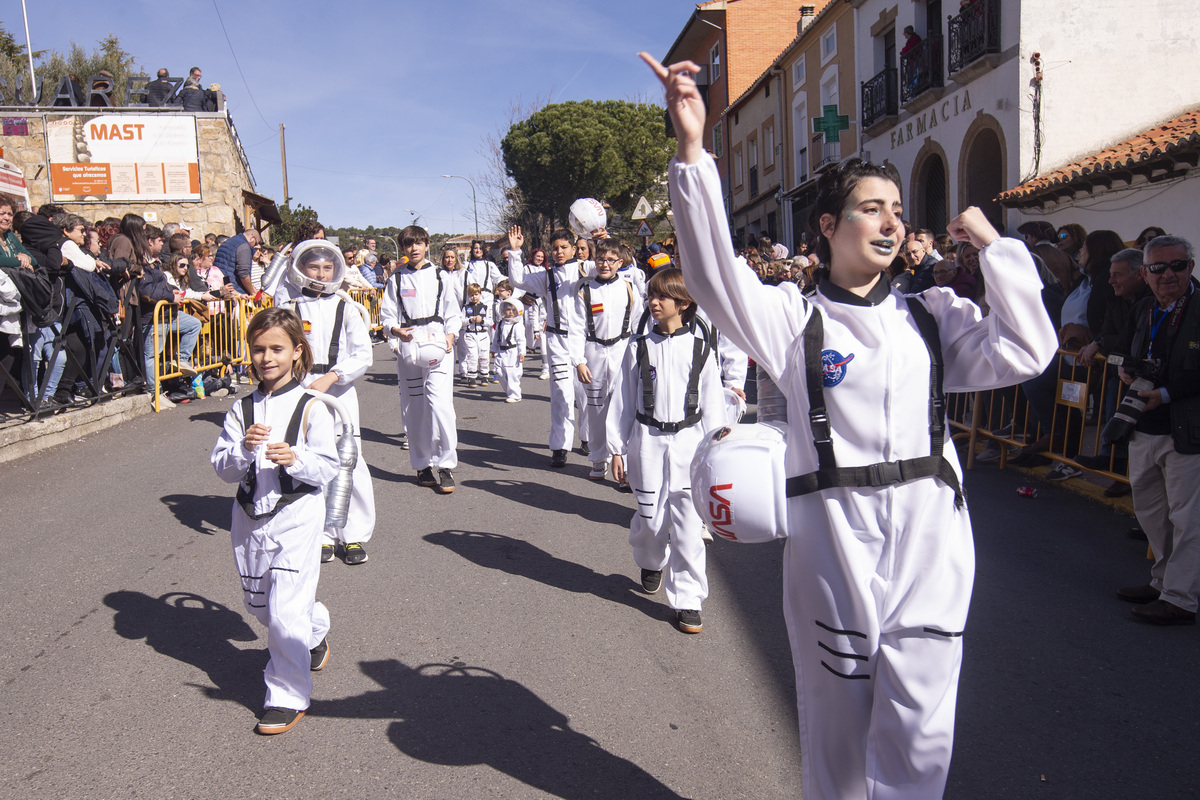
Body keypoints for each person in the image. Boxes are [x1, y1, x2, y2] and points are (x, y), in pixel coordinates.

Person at [642, 51, 1056, 799]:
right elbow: (709, 273)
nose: (893, 222)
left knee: (921, 734)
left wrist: (997, 250)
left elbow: (1027, 350)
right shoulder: (789, 319)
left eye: (899, 210)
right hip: (833, 540)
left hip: (933, 539)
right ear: (828, 225)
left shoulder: (934, 317)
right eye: (873, 208)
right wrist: (693, 150)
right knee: (836, 729)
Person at [211, 307, 338, 735]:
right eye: (259, 349)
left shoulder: (312, 407)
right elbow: (223, 468)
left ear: (296, 351)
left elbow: (327, 468)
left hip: (297, 516)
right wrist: (243, 450)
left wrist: (297, 458)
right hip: (249, 517)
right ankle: (314, 629)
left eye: (277, 349)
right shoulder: (241, 408)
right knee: (261, 607)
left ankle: (286, 694)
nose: (267, 357)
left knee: (284, 613)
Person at [608, 267, 724, 634]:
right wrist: (616, 449)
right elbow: (622, 402)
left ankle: (688, 599)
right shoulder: (637, 347)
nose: (653, 302)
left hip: (689, 445)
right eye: (651, 296)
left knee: (689, 526)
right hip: (647, 443)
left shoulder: (701, 350)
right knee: (651, 520)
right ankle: (650, 559)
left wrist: (717, 452)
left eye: (662, 297)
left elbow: (713, 406)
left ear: (684, 304)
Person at [1113, 235, 1200, 625]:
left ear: (1191, 268)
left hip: (1187, 431)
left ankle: (1180, 598)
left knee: (1187, 518)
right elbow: (1132, 350)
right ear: (1145, 274)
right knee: (1152, 513)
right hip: (1142, 425)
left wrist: (1165, 393)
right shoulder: (1144, 308)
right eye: (1158, 268)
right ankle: (1163, 580)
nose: (1169, 275)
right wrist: (1125, 369)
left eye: (1177, 266)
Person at [279, 241, 377, 564]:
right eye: (313, 267)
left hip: (339, 392)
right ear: (301, 268)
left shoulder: (346, 306)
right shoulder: (290, 306)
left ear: (336, 270)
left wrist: (333, 376)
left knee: (349, 461)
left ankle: (352, 534)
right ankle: (320, 533)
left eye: (327, 267)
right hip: (301, 391)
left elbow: (363, 355)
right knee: (309, 461)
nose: (320, 274)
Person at [380, 225, 461, 494]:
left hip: (439, 345)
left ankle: (446, 465)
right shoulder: (396, 279)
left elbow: (453, 312)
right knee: (414, 407)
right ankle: (422, 464)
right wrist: (395, 334)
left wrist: (451, 335)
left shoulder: (441, 276)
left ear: (427, 245)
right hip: (409, 347)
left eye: (418, 243)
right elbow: (387, 316)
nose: (413, 248)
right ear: (402, 249)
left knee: (439, 405)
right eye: (407, 244)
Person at [505, 227, 590, 467]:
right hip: (557, 341)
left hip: (583, 340)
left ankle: (587, 438)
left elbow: (613, 264)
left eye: (564, 247)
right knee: (561, 394)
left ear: (574, 248)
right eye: (555, 248)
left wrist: (599, 238)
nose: (559, 252)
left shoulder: (586, 270)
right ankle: (560, 446)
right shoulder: (546, 276)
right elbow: (517, 280)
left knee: (585, 395)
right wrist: (515, 251)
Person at [570, 238, 644, 481]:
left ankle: (624, 460)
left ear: (619, 263)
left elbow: (638, 325)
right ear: (595, 261)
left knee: (625, 407)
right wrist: (579, 361)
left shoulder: (629, 288)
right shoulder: (585, 290)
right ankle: (599, 458)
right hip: (594, 352)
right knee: (597, 409)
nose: (604, 264)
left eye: (610, 260)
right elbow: (577, 329)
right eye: (600, 259)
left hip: (623, 349)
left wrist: (641, 355)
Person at [493, 298, 526, 402]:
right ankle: (509, 391)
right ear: (503, 311)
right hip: (501, 351)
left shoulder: (517, 325)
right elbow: (495, 338)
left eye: (513, 310)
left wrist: (522, 353)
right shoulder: (500, 324)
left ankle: (515, 395)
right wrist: (493, 349)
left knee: (512, 374)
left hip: (513, 351)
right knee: (498, 371)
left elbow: (521, 340)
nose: (511, 312)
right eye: (508, 309)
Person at [461, 283, 491, 387]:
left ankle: (484, 375)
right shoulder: (466, 308)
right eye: (472, 295)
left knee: (484, 356)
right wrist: (470, 320)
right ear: (469, 296)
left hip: (483, 335)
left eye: (476, 294)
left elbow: (491, 321)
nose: (474, 297)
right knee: (472, 355)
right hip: (470, 334)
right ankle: (472, 376)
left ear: (480, 294)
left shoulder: (486, 307)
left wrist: (482, 320)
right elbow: (461, 321)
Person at [214, 229, 260, 295]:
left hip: (221, 286)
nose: (253, 247)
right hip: (235, 290)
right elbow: (244, 274)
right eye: (255, 243)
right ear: (252, 238)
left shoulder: (228, 242)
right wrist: (252, 292)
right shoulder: (244, 246)